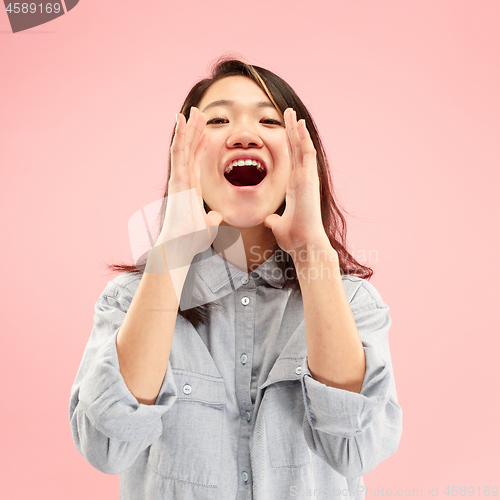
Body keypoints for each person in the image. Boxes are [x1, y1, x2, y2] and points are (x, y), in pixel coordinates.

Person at [69, 57, 403, 500]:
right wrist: (170, 255)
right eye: (219, 119)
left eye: (268, 119)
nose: (244, 133)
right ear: (184, 156)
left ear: (304, 158)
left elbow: (355, 448)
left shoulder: (353, 302)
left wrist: (312, 253)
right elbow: (106, 446)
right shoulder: (130, 300)